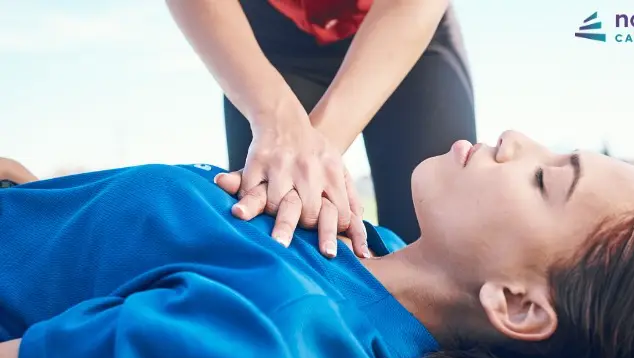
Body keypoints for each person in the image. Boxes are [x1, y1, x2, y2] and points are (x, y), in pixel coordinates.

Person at [0, 131, 634, 358]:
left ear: (519, 304)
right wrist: (37, 199)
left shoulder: (274, 339)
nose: (514, 137)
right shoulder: (369, 249)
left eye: (545, 179)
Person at [164, 0, 476, 250]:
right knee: (282, 244)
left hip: (400, 23)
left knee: (441, 234)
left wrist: (309, 155)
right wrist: (276, 121)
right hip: (266, 38)